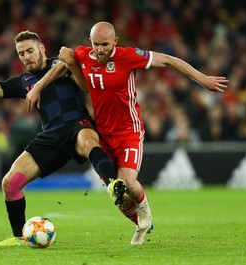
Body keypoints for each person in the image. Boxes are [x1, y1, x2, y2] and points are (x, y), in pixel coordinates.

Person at [0, 30, 126, 247]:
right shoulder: (22, 82)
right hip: (50, 136)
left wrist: (40, 86)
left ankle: (113, 184)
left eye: (30, 50)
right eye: (21, 53)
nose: (26, 56)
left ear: (42, 49)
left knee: (88, 142)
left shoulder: (62, 63)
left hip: (78, 125)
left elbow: (69, 62)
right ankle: (19, 237)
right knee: (10, 183)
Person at [34, 21, 228, 245]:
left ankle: (145, 213)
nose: (100, 49)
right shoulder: (83, 54)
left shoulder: (129, 56)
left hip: (129, 132)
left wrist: (202, 79)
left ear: (115, 42)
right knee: (118, 195)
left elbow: (169, 60)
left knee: (128, 182)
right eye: (96, 44)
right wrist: (39, 86)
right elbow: (63, 66)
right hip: (102, 134)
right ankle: (142, 223)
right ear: (90, 42)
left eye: (105, 44)